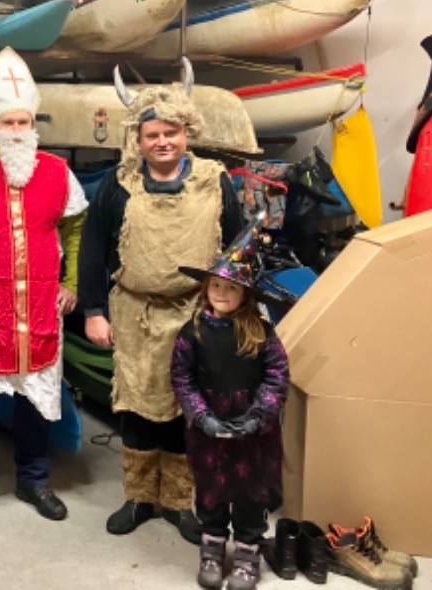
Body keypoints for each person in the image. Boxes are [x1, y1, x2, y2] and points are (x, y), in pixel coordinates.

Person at [77, 62, 244, 545]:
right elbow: (92, 249)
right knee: (136, 405)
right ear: (139, 138)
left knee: (184, 407)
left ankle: (176, 501)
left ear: (186, 132)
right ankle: (139, 497)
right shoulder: (118, 184)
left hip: (197, 313)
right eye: (152, 135)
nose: (162, 142)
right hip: (135, 312)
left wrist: (234, 311)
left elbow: (236, 249)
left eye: (171, 132)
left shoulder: (214, 181)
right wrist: (93, 312)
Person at [0, 47, 87, 525]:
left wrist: (71, 282)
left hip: (41, 304)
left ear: (33, 124)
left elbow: (75, 228)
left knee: (34, 400)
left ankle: (34, 479)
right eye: (7, 123)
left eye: (23, 122)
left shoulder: (56, 171)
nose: (16, 130)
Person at [171, 213, 290, 590]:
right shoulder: (191, 332)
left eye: (231, 287)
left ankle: (247, 553)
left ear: (246, 295)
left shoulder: (262, 332)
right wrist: (200, 416)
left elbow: (277, 375)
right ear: (206, 287)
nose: (221, 293)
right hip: (209, 429)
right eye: (216, 285)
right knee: (212, 490)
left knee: (252, 493)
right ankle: (212, 549)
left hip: (255, 432)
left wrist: (260, 415)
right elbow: (182, 377)